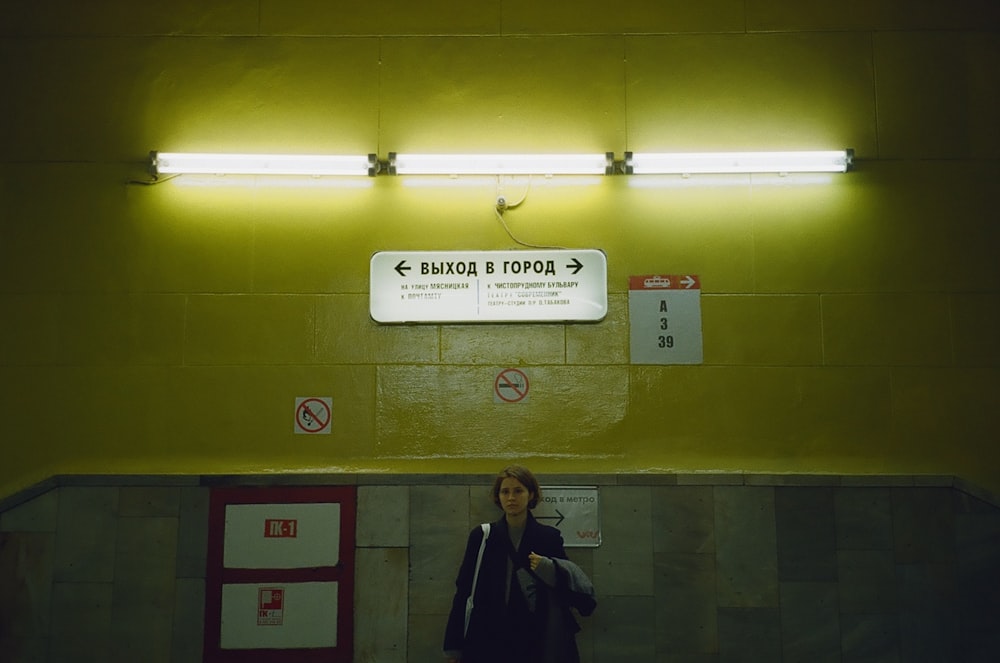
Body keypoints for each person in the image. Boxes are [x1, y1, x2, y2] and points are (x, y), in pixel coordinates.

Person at [443, 465, 596, 663]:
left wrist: (548, 568)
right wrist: (453, 646)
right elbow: (464, 591)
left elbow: (565, 590)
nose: (511, 498)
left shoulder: (548, 537)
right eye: (505, 492)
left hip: (533, 638)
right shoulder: (482, 537)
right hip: (487, 637)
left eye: (518, 491)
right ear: (498, 497)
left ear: (531, 495)